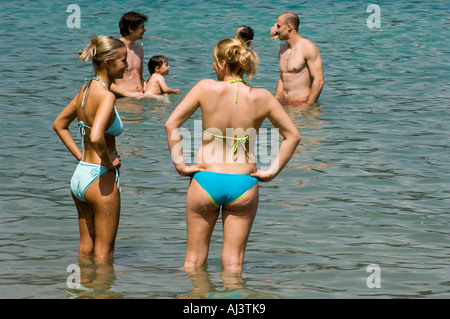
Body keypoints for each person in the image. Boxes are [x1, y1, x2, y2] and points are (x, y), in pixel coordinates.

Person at [165, 38, 301, 272]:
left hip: (206, 179)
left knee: (194, 262)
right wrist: (271, 171)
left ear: (221, 63)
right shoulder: (263, 96)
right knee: (234, 265)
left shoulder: (204, 88)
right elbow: (293, 136)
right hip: (244, 183)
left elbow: (171, 124)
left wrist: (181, 165)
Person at [53, 35, 126, 262]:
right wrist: (108, 162)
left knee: (86, 247)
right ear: (108, 63)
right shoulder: (107, 96)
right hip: (100, 178)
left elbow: (59, 125)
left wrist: (80, 157)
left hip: (81, 176)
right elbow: (96, 136)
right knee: (105, 254)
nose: (127, 65)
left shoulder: (85, 90)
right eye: (123, 60)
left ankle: (81, 294)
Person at [273, 12, 324, 105]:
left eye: (279, 26)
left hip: (302, 104)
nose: (276, 30)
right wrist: (276, 100)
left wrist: (309, 105)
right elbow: (283, 77)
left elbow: (319, 80)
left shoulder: (307, 47)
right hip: (284, 103)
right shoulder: (282, 49)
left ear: (289, 27)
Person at [110, 11, 148, 98]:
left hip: (139, 97)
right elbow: (104, 82)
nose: (145, 30)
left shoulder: (139, 49)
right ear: (131, 29)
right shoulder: (114, 49)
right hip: (123, 99)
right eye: (142, 27)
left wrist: (149, 89)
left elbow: (139, 77)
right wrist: (128, 94)